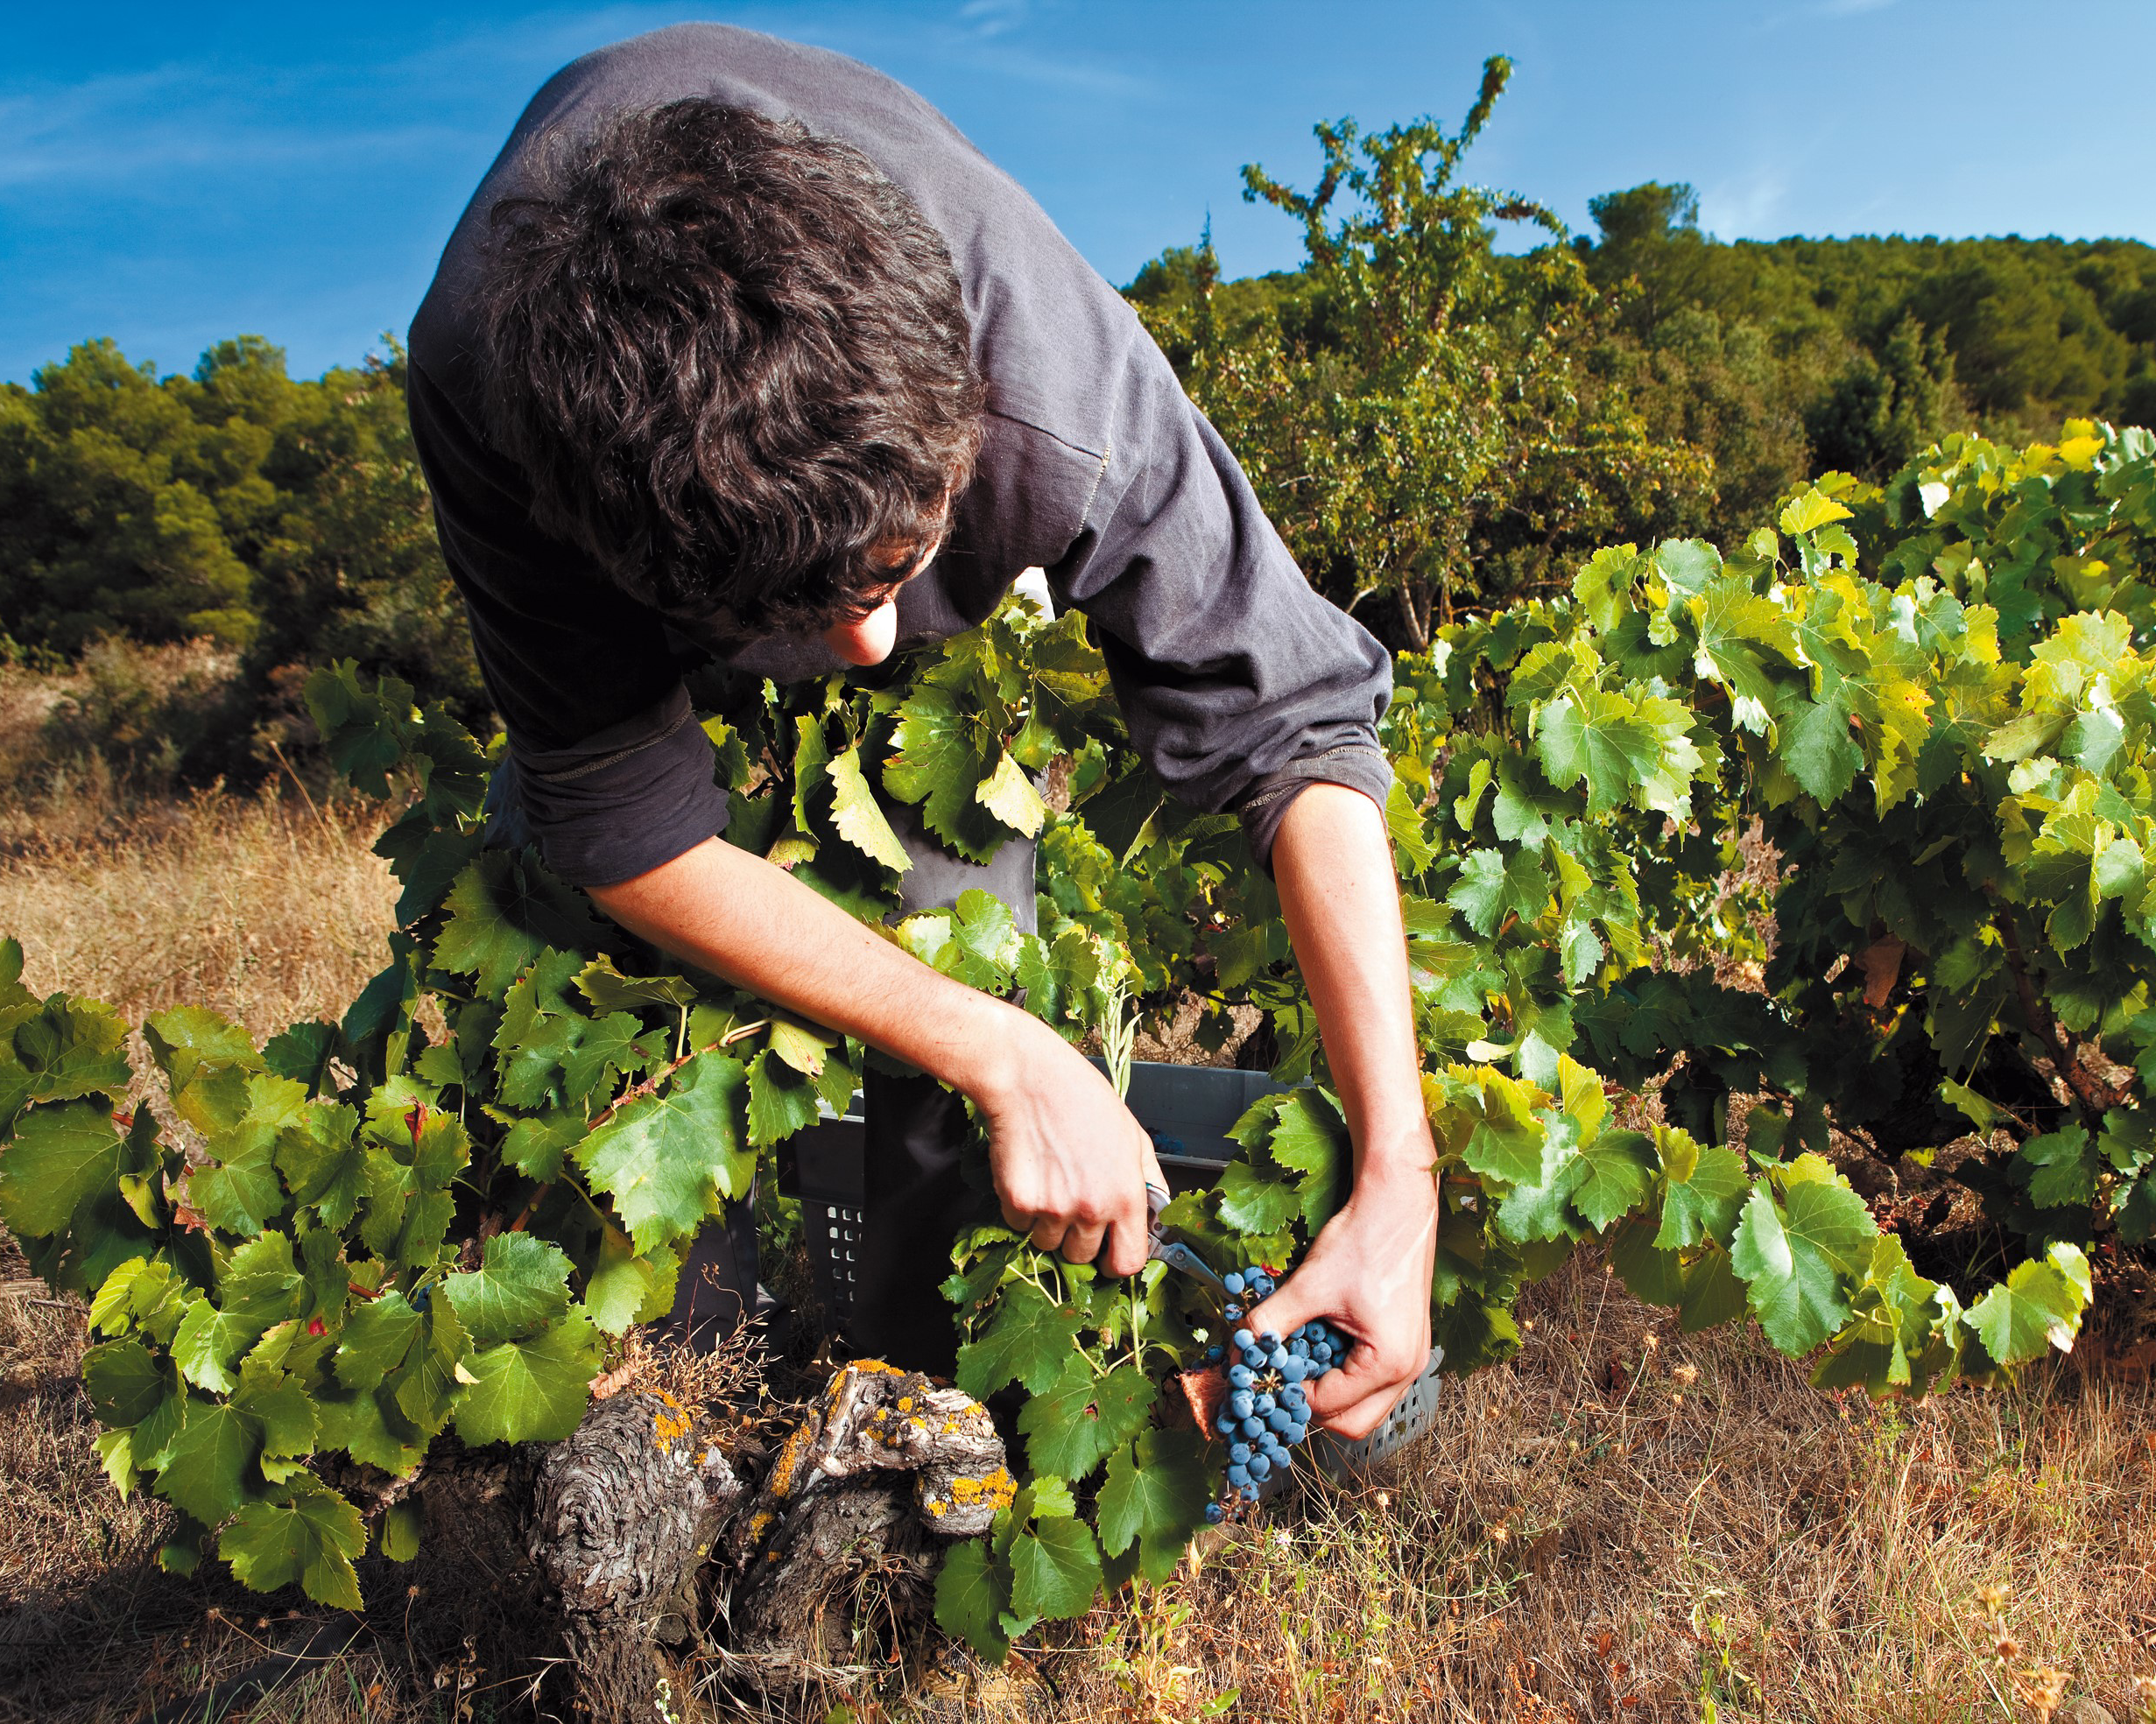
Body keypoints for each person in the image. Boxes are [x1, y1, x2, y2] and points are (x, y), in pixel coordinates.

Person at [405, 24, 1438, 1439]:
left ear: (965, 424)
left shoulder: (1059, 380)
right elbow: (616, 816)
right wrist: (1004, 1051)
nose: (868, 651)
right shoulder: (491, 387)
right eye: (808, 612)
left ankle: (912, 1392)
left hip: (968, 373)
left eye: (898, 576)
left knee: (961, 918)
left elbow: (1300, 723)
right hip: (608, 485)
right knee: (601, 971)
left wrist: (1399, 1177)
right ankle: (678, 1411)